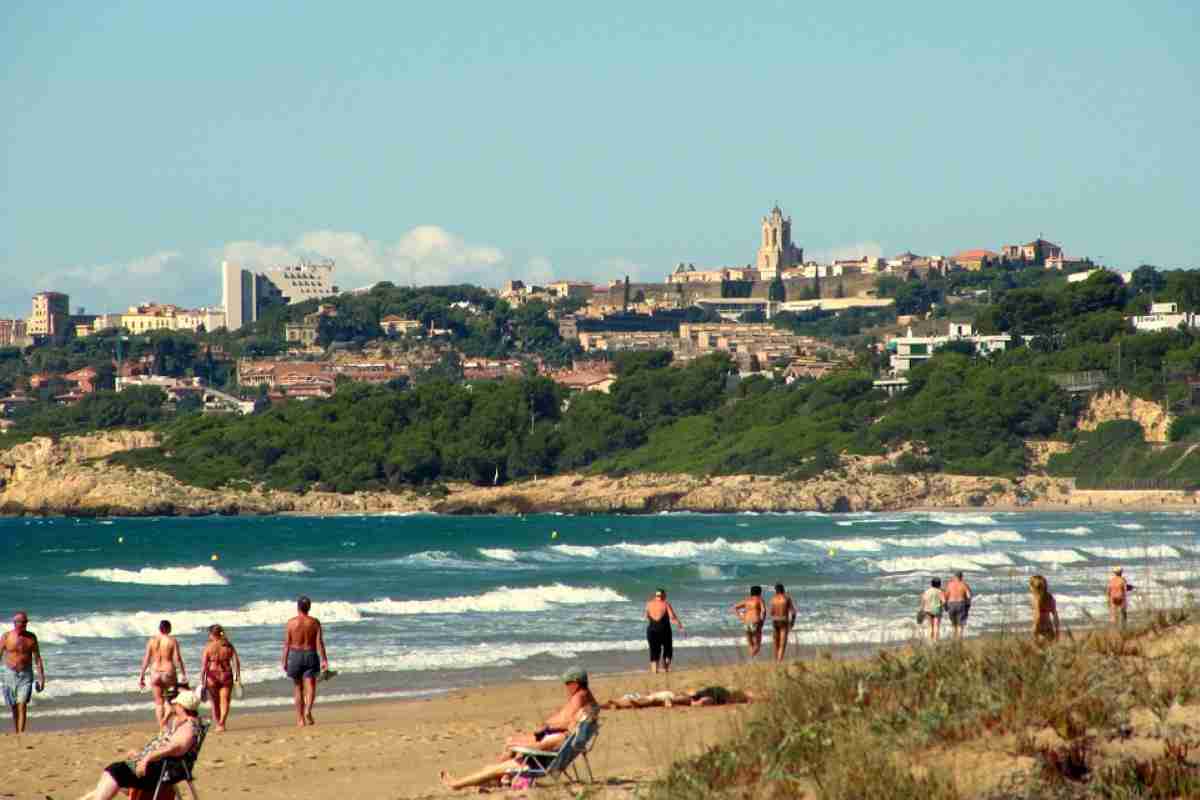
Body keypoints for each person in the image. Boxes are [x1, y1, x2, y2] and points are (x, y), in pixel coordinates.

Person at [439, 666, 599, 791]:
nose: (566, 687)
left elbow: (544, 742)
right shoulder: (576, 728)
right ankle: (499, 779)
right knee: (496, 767)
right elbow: (585, 711)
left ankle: (457, 784)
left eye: (568, 684)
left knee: (494, 766)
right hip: (542, 759)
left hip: (537, 763)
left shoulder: (564, 731)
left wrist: (521, 744)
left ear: (576, 683)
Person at [75, 689, 205, 800]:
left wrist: (146, 759)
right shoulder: (191, 722)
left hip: (161, 771)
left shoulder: (188, 727)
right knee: (122, 770)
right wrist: (142, 755)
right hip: (166, 767)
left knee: (115, 770)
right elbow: (168, 740)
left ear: (181, 706)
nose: (173, 705)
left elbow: (175, 747)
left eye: (176, 703)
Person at [282, 595, 328, 727]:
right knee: (311, 685)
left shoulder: (291, 623)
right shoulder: (314, 622)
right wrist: (324, 659)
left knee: (298, 688)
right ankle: (308, 709)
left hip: (295, 655)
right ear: (309, 607)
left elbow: (286, 644)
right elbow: (319, 642)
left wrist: (284, 660)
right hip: (311, 654)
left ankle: (300, 719)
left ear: (298, 607)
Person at [2, 610, 46, 734]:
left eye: (25, 622)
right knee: (14, 706)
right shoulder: (6, 637)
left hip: (26, 674)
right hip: (9, 674)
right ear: (14, 623)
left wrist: (41, 679)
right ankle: (17, 732)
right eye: (21, 622)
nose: (24, 624)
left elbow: (37, 658)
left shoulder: (31, 637)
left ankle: (21, 733)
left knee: (22, 704)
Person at [138, 620, 186, 728]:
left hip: (155, 672)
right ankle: (166, 721)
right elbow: (177, 659)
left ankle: (162, 728)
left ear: (159, 629)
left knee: (159, 702)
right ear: (169, 629)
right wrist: (183, 674)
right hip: (168, 672)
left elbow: (146, 659)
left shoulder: (151, 641)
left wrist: (141, 676)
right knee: (173, 701)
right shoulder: (172, 640)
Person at [199, 624, 241, 732]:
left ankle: (218, 724)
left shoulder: (208, 647)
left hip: (212, 675)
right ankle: (222, 723)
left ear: (212, 634)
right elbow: (236, 662)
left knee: (215, 703)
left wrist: (202, 681)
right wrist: (237, 677)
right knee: (225, 701)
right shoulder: (228, 645)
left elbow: (203, 666)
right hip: (226, 674)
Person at [603, 685, 755, 709]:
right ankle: (616, 703)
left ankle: (614, 703)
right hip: (672, 696)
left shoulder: (722, 691)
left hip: (679, 695)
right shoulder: (721, 695)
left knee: (648, 700)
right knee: (649, 700)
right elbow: (700, 702)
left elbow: (695, 696)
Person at [644, 588, 684, 673]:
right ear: (664, 595)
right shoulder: (666, 604)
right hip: (664, 631)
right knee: (668, 650)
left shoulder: (648, 604)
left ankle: (655, 671)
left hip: (652, 631)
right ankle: (665, 669)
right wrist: (680, 626)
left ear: (655, 596)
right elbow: (672, 618)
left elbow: (646, 616)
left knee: (654, 651)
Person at [733, 585, 766, 658]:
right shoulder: (760, 600)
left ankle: (752, 660)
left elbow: (735, 608)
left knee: (750, 644)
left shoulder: (746, 600)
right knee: (757, 645)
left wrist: (741, 617)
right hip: (755, 622)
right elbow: (763, 611)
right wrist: (762, 621)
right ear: (760, 592)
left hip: (746, 622)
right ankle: (750, 659)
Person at [769, 584, 797, 663]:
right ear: (783, 590)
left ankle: (775, 661)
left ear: (776, 591)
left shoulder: (773, 599)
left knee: (776, 643)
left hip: (775, 621)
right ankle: (779, 661)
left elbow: (771, 612)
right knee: (782, 644)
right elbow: (793, 612)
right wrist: (792, 623)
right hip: (784, 621)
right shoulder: (786, 598)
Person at [1029, 575, 1060, 642]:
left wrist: (1034, 630)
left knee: (1039, 651)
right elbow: (1055, 616)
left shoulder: (1036, 599)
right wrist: (1057, 631)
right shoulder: (1050, 598)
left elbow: (1038, 616)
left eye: (1030, 586)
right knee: (1049, 651)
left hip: (1039, 630)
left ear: (1033, 587)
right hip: (1049, 629)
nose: (1030, 588)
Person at [944, 571, 973, 641]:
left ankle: (954, 639)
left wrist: (945, 606)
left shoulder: (949, 585)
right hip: (961, 603)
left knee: (953, 624)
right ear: (961, 577)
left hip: (951, 604)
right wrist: (968, 605)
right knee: (960, 624)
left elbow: (945, 596)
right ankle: (959, 640)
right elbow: (969, 596)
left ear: (954, 577)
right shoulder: (964, 585)